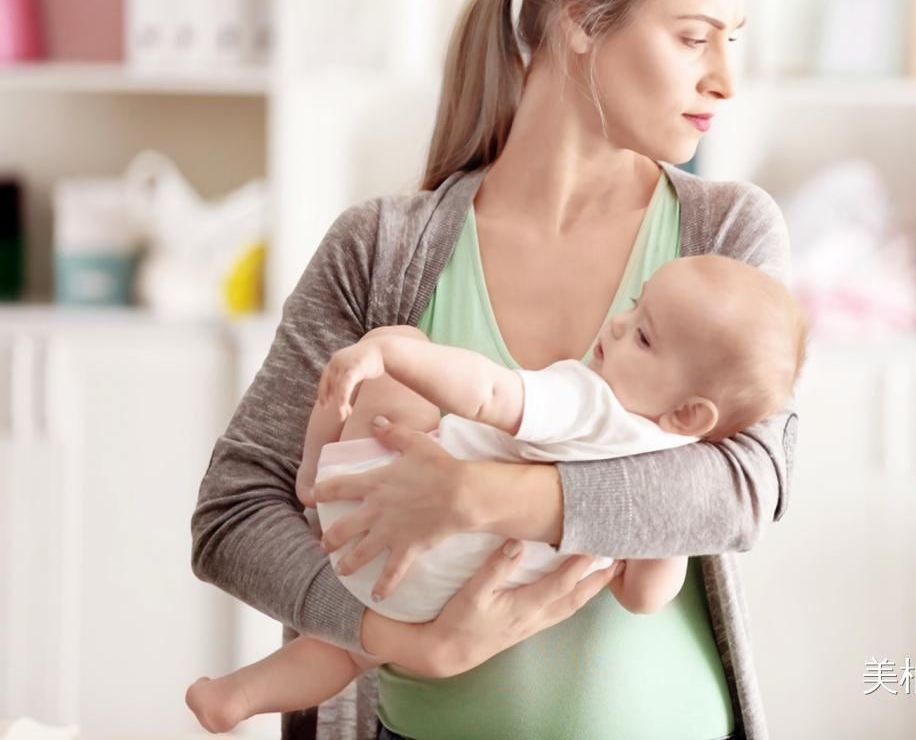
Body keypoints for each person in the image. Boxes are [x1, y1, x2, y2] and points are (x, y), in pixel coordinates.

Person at [190, 0, 799, 738]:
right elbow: (235, 510)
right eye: (693, 36)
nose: (724, 81)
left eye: (729, 41)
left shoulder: (724, 240)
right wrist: (396, 638)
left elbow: (742, 488)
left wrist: (477, 496)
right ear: (585, 21)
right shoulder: (381, 251)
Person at [185, 256, 807, 734]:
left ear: (691, 412)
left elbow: (489, 395)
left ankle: (311, 475)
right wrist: (660, 528)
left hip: (375, 538)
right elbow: (646, 595)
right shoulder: (673, 473)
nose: (618, 326)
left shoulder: (589, 403)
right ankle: (236, 697)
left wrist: (395, 350)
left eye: (643, 337)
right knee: (345, 655)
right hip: (437, 590)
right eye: (634, 307)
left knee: (398, 376)